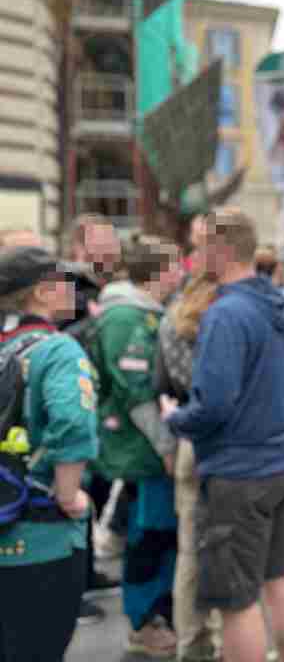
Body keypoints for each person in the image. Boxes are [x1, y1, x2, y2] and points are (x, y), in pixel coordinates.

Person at [160, 208, 284, 662]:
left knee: (235, 601)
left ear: (220, 250)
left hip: (240, 470)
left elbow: (213, 405)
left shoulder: (225, 314)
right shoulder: (274, 303)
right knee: (279, 576)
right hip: (280, 459)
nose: (192, 256)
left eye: (199, 245)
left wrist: (175, 417)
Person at [0, 246, 98, 661]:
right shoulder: (58, 350)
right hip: (40, 536)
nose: (73, 289)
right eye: (65, 281)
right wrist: (69, 493)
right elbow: (73, 424)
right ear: (41, 292)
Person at [93, 235, 183, 657]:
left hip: (151, 445)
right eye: (175, 266)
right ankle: (144, 620)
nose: (181, 274)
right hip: (144, 448)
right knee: (150, 534)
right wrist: (166, 445)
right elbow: (136, 392)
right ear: (159, 271)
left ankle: (158, 612)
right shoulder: (126, 317)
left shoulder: (145, 313)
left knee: (161, 532)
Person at [61, 213, 126, 623]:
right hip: (76, 403)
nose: (112, 247)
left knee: (96, 492)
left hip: (101, 406)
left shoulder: (102, 286)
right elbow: (62, 337)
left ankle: (85, 573)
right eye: (103, 240)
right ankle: (72, 586)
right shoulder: (70, 286)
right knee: (75, 493)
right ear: (81, 246)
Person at [156, 274, 223, 662]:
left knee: (189, 551)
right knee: (231, 545)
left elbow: (159, 383)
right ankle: (223, 634)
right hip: (226, 439)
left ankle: (191, 641)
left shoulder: (169, 322)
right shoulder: (223, 320)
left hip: (186, 438)